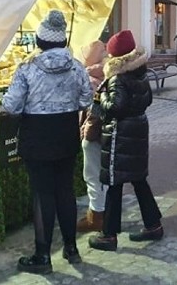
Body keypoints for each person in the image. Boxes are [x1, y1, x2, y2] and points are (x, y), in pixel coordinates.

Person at [1, 10, 93, 274]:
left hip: (37, 135)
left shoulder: (27, 68)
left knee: (42, 194)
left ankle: (43, 255)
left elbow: (11, 106)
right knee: (64, 191)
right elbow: (87, 99)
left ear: (41, 41)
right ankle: (71, 248)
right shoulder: (76, 66)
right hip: (65, 133)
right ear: (62, 41)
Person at [88, 30, 164, 252]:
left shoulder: (118, 77)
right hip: (138, 129)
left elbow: (115, 107)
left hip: (120, 134)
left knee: (114, 182)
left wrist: (101, 96)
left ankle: (109, 235)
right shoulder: (139, 72)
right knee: (139, 180)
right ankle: (153, 224)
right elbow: (147, 99)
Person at [76, 40, 108, 234]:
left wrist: (85, 133)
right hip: (107, 133)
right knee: (103, 175)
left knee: (92, 175)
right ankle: (104, 213)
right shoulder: (109, 74)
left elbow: (92, 112)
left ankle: (96, 216)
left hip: (94, 133)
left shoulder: (90, 79)